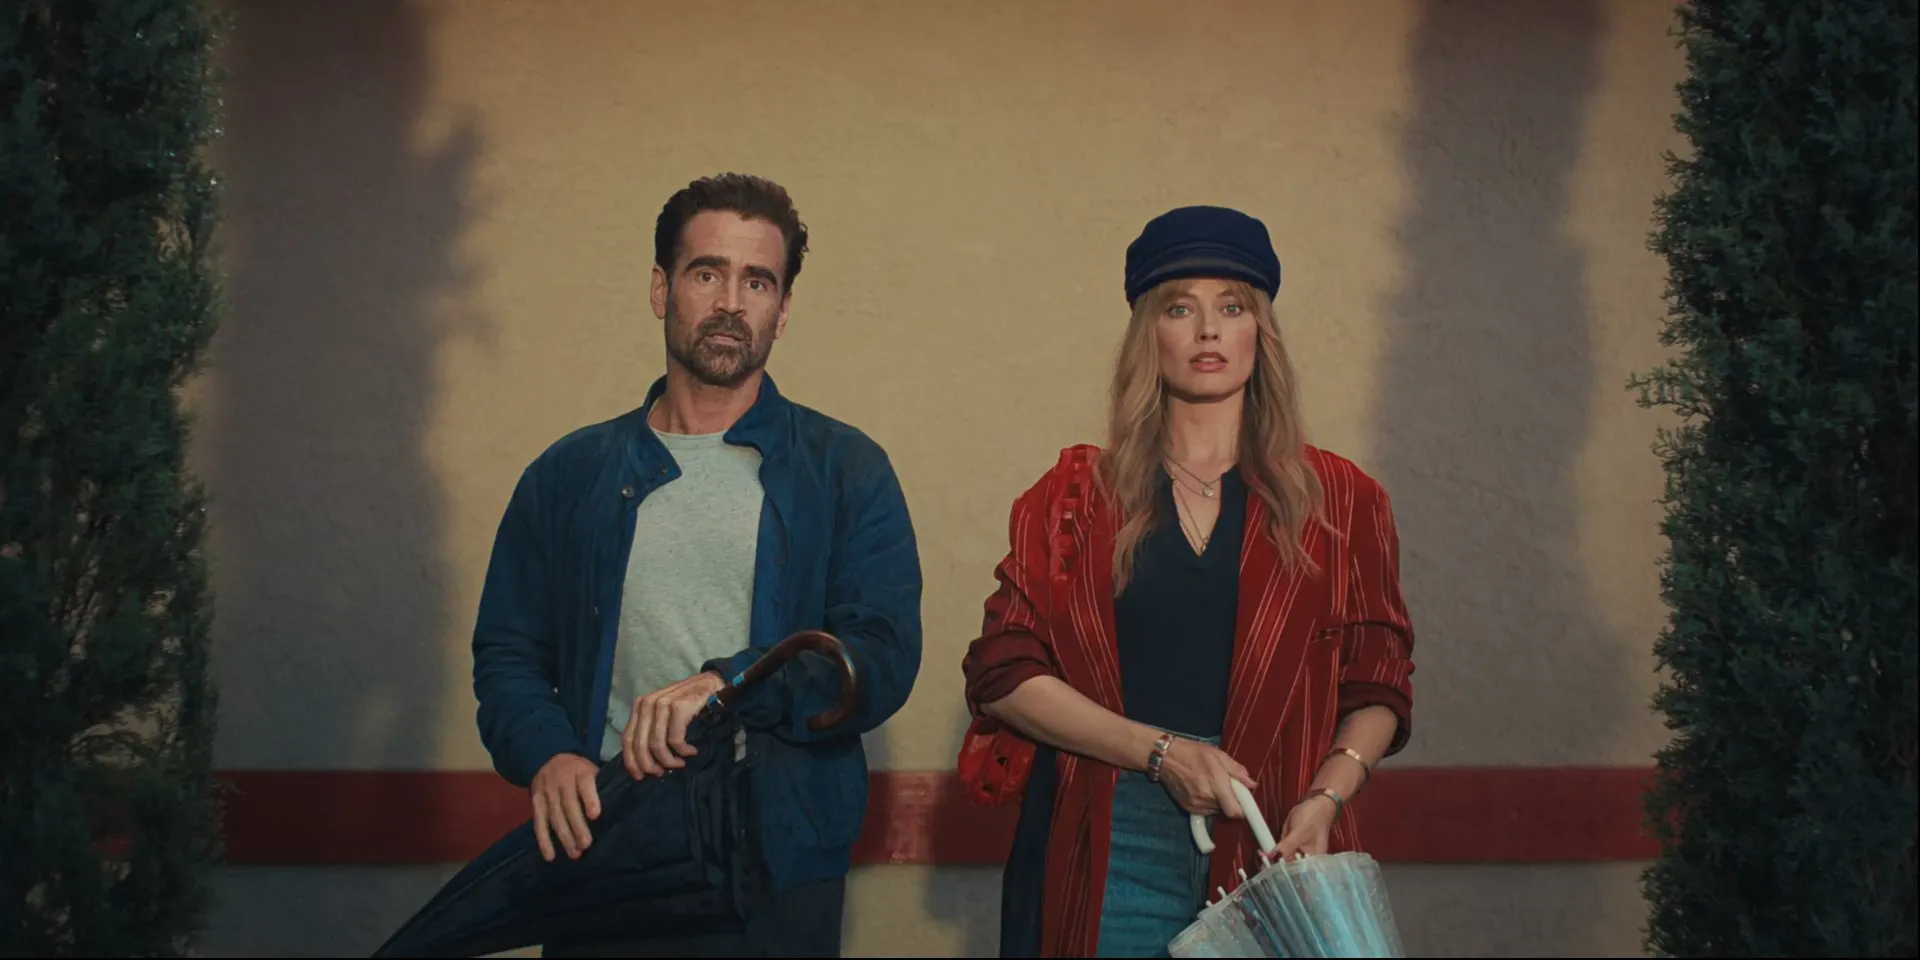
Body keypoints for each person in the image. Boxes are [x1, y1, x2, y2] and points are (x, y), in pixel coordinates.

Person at [470, 172, 923, 958]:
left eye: (758, 282)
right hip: (605, 852)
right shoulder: (569, 475)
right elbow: (508, 651)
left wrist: (730, 683)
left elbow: (879, 656)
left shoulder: (845, 469)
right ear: (662, 289)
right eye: (707, 273)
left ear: (783, 311)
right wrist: (548, 754)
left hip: (776, 866)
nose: (731, 303)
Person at [958, 205, 1417, 958]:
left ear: (1260, 333)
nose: (1208, 330)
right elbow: (1002, 672)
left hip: (1274, 837)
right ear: (1150, 335)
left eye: (1232, 307)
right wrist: (1162, 753)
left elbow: (1380, 683)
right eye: (1180, 308)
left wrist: (1326, 799)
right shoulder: (1073, 499)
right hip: (1112, 840)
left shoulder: (1343, 500)